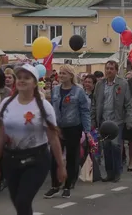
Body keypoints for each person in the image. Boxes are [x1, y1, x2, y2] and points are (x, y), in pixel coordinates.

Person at [0, 64, 66, 215]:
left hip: (36, 160)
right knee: (18, 203)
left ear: (34, 82)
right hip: (11, 159)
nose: (22, 81)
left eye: (27, 78)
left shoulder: (44, 106)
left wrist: (60, 165)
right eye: (19, 77)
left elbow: (53, 138)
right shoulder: (6, 104)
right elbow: (0, 136)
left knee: (23, 201)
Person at [44, 65, 90, 199]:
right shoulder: (56, 90)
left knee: (71, 157)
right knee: (54, 156)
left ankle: (68, 185)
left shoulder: (78, 91)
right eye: (60, 73)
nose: (61, 75)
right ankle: (55, 185)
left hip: (73, 127)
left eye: (64, 73)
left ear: (71, 75)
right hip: (58, 127)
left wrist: (87, 130)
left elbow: (84, 111)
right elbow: (52, 108)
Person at [91, 61, 132, 182]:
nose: (109, 71)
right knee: (106, 147)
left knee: (116, 146)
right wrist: (93, 120)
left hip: (117, 121)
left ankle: (117, 172)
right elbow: (94, 103)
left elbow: (128, 103)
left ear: (115, 70)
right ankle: (109, 173)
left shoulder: (122, 84)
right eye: (107, 68)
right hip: (103, 121)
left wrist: (129, 120)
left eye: (111, 69)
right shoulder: (100, 84)